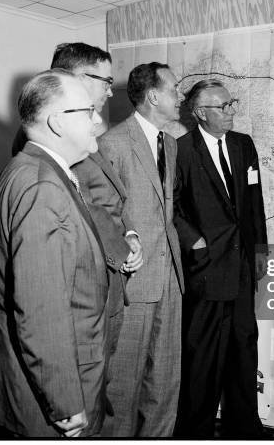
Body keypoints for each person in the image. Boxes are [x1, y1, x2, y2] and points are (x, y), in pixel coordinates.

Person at [0, 43, 143, 381]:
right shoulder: (42, 152)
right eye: (105, 81)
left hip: (102, 293)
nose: (109, 93)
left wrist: (129, 234)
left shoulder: (83, 137)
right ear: (74, 79)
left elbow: (109, 201)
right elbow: (3, 249)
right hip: (74, 309)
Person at [0, 69, 108, 437]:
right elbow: (41, 308)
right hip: (57, 395)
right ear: (57, 122)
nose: (99, 119)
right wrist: (65, 400)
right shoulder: (42, 186)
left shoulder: (36, 172)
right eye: (89, 111)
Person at [173, 79, 267, 437]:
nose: (231, 112)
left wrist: (260, 251)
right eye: (223, 107)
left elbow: (254, 202)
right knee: (203, 359)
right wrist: (194, 242)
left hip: (243, 268)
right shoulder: (181, 151)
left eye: (232, 104)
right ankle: (194, 432)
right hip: (206, 272)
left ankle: (245, 430)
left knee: (244, 348)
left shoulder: (243, 145)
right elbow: (172, 207)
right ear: (200, 113)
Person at [98, 62, 185, 437]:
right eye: (174, 88)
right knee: (123, 384)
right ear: (153, 96)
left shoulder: (171, 143)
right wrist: (128, 241)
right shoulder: (112, 143)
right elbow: (102, 211)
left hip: (171, 279)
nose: (179, 95)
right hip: (134, 280)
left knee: (165, 381)